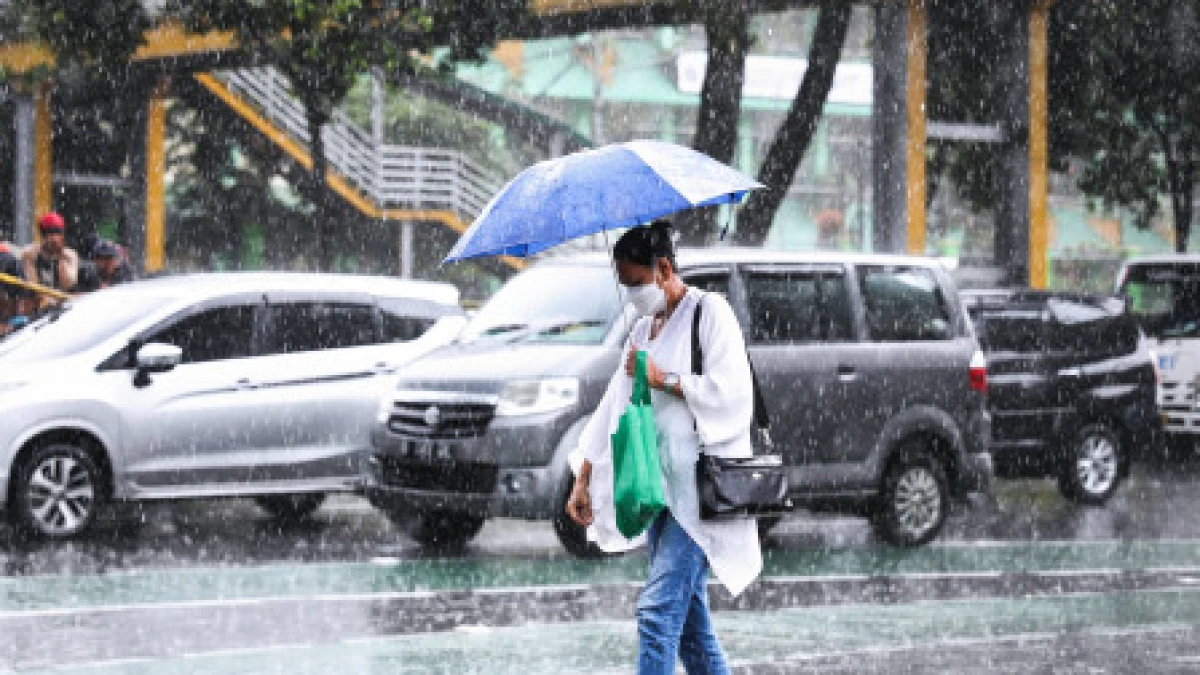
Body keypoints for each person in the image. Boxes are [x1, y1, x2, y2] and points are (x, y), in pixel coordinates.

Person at [566, 221, 761, 675]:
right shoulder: (640, 333)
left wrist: (664, 379)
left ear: (664, 269)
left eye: (636, 283)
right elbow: (612, 407)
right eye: (625, 285)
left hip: (697, 493)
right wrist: (584, 475)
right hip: (658, 490)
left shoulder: (710, 313)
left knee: (656, 615)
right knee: (692, 631)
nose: (631, 294)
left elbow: (733, 394)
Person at [21, 212, 78, 295]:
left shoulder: (70, 256)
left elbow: (68, 286)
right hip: (39, 302)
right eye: (51, 232)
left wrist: (61, 261)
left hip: (64, 302)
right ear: (43, 235)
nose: (54, 238)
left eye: (58, 232)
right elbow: (33, 286)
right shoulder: (30, 254)